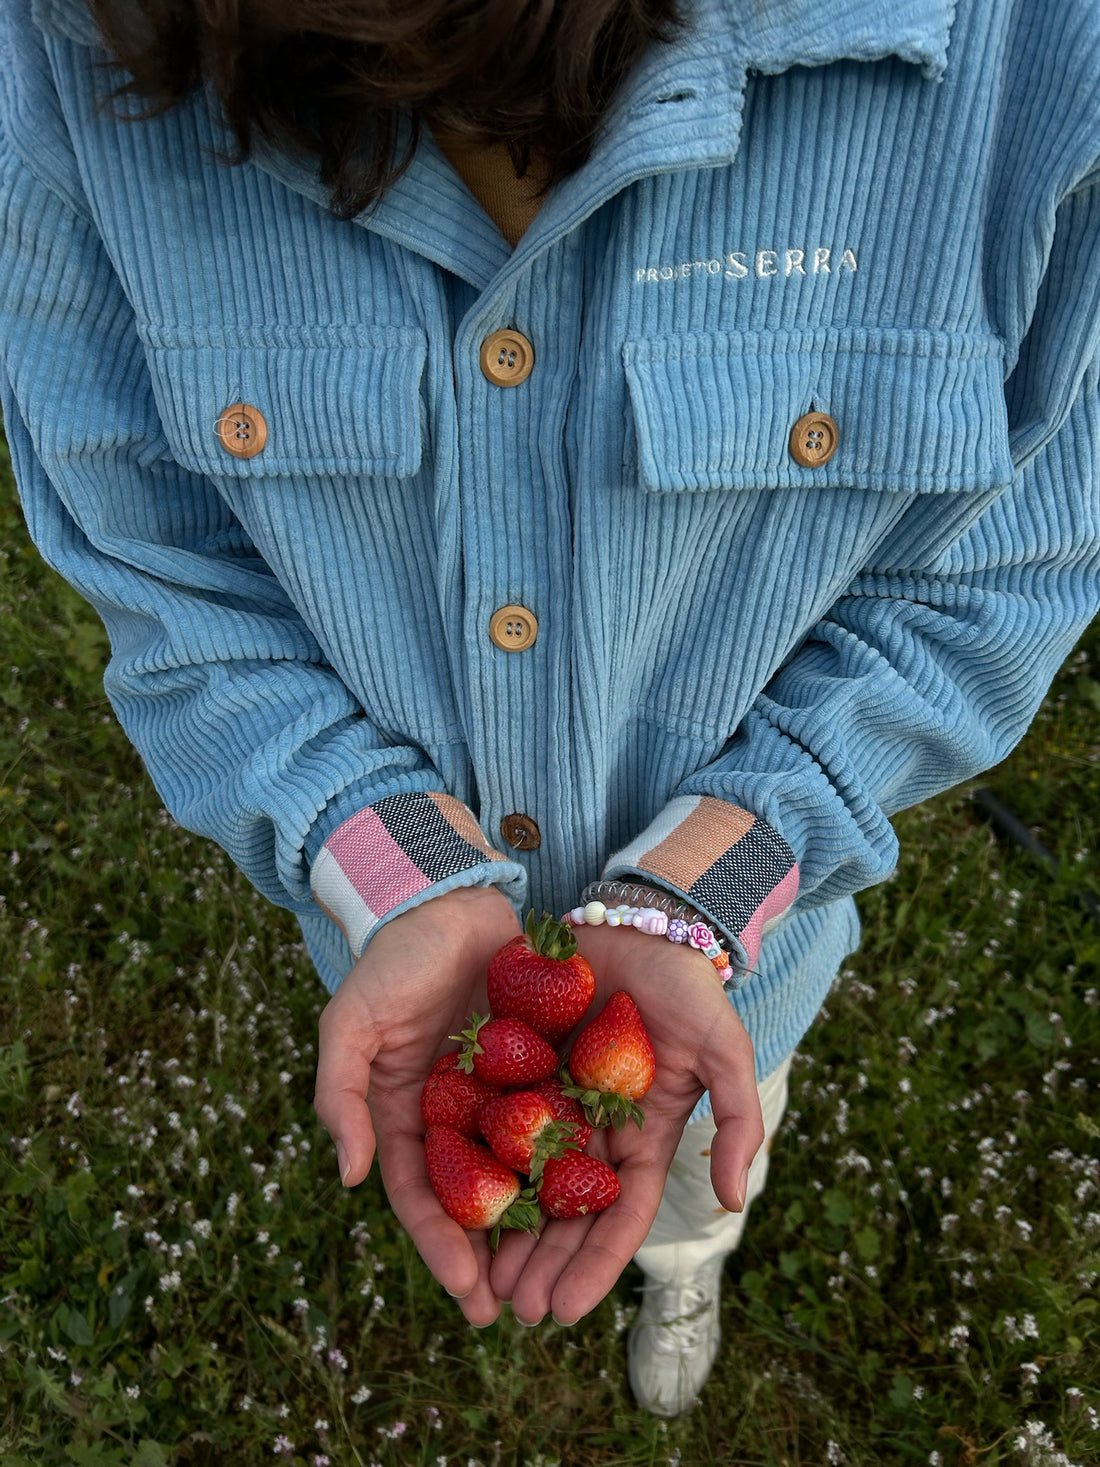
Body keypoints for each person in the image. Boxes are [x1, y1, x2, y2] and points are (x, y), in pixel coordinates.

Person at [1, 0, 1098, 1420]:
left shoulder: (1042, 54)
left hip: (743, 970)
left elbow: (1003, 574)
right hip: (388, 951)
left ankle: (690, 1252)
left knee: (705, 1152)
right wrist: (399, 878)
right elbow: (156, 563)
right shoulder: (68, 37)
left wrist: (694, 901)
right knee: (671, 1129)